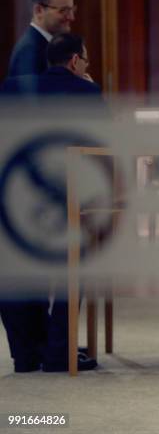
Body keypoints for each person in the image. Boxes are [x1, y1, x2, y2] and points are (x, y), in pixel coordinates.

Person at [0, 33, 102, 373]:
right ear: (75, 61)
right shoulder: (87, 92)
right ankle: (59, 351)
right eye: (85, 60)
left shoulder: (13, 87)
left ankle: (26, 354)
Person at [7, 0, 75, 77]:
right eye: (64, 11)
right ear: (39, 10)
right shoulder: (29, 51)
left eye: (72, 10)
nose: (71, 17)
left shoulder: (45, 46)